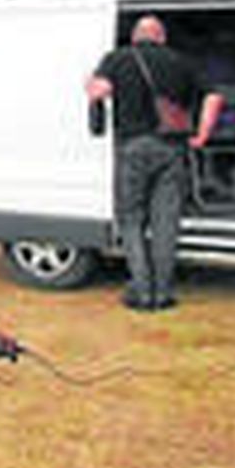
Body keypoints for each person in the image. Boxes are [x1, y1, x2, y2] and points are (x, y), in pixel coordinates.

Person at [86, 15, 225, 311]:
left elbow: (99, 91)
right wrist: (201, 135)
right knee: (166, 223)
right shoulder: (182, 61)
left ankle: (141, 290)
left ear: (136, 37)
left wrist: (92, 85)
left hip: (133, 148)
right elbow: (214, 97)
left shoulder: (118, 58)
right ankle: (163, 293)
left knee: (132, 220)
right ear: (161, 37)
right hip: (172, 149)